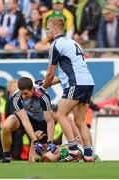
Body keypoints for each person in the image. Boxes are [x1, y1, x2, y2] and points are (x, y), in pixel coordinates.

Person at [36, 18, 95, 162]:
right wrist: (47, 83)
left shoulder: (55, 44)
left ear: (56, 29)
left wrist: (42, 89)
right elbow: (64, 75)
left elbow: (50, 73)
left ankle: (74, 150)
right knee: (80, 121)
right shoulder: (73, 43)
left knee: (61, 115)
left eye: (48, 29)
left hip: (75, 84)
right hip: (88, 83)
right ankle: (88, 154)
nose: (47, 32)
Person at [0, 77, 55, 162]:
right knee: (6, 126)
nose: (23, 96)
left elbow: (50, 121)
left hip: (42, 122)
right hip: (27, 118)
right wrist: (35, 141)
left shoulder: (43, 96)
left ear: (32, 89)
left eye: (26, 94)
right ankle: (6, 156)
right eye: (21, 93)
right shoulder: (16, 97)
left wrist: (50, 141)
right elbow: (25, 120)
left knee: (34, 160)